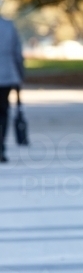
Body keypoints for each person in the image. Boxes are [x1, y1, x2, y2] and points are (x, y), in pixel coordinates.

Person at [0, 14, 24, 163]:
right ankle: (1, 147)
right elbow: (18, 54)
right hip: (7, 76)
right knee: (3, 112)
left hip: (7, 76)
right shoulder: (8, 26)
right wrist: (20, 75)